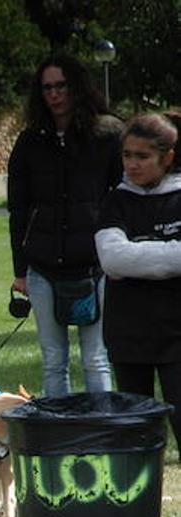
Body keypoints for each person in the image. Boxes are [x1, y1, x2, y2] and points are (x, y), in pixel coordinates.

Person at [7, 56, 121, 397]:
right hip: (43, 266)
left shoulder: (107, 137)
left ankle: (101, 434)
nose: (55, 95)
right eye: (47, 88)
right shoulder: (29, 143)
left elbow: (122, 198)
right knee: (53, 359)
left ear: (77, 87)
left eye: (61, 86)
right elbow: (18, 210)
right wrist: (20, 270)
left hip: (95, 266)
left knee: (96, 359)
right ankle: (61, 437)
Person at [94, 111, 181, 450]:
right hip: (128, 336)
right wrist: (170, 255)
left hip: (176, 335)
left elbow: (127, 258)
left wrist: (138, 253)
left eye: (142, 156)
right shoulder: (116, 200)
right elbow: (112, 258)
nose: (132, 164)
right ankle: (139, 505)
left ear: (167, 157)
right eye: (127, 155)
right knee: (135, 436)